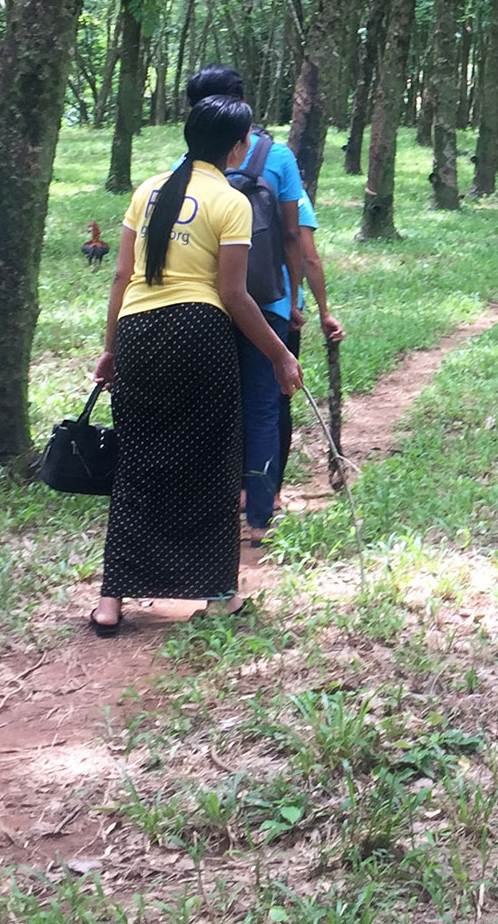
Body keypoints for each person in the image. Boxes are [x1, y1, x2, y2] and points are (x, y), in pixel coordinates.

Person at [89, 94, 301, 636]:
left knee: (135, 461)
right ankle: (216, 593)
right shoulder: (230, 202)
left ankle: (111, 599)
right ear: (236, 145)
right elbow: (234, 294)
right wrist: (279, 355)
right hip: (198, 334)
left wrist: (111, 349)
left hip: (138, 332)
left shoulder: (148, 190)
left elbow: (120, 277)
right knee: (212, 461)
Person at [183, 65, 343, 544]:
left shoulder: (186, 163)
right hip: (269, 301)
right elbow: (295, 236)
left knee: (213, 404)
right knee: (265, 403)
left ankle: (214, 500)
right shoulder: (278, 158)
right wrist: (299, 302)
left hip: (208, 303)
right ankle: (260, 513)